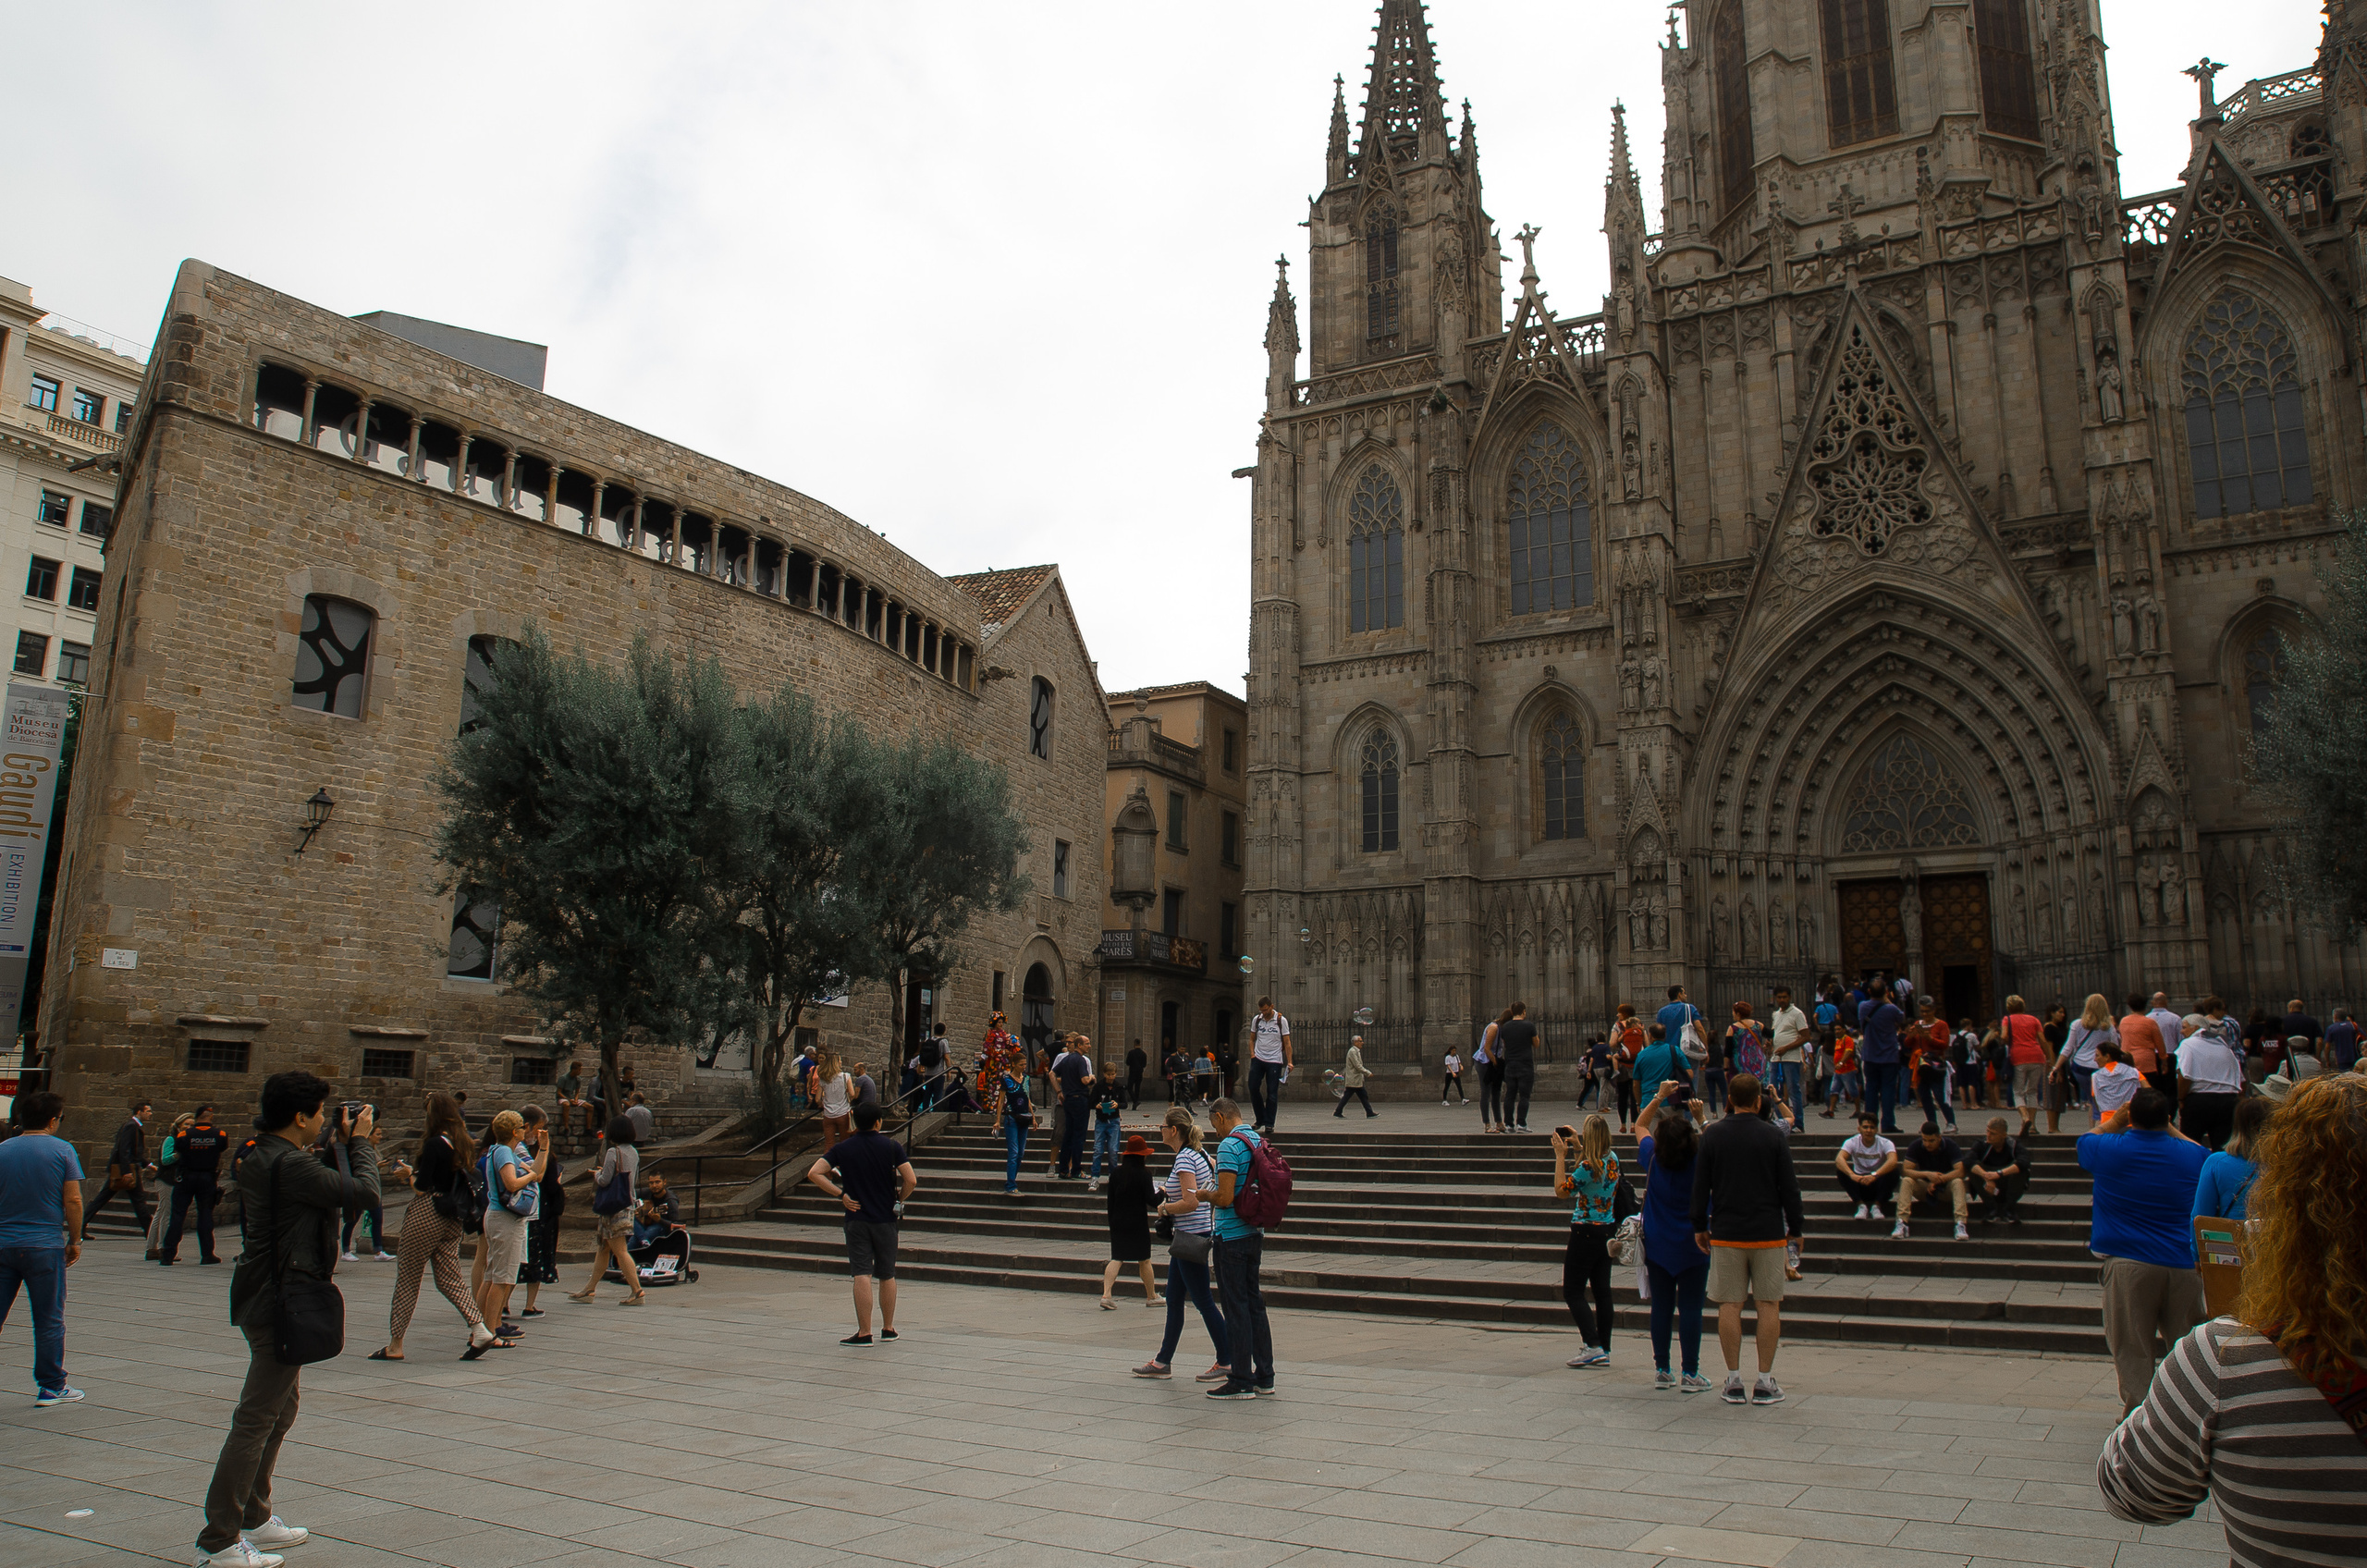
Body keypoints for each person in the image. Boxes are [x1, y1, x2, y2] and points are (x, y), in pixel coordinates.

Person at [2097, 1074, 2367, 1554]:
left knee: (2135, 1346)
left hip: (2138, 1267)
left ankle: (2142, 1405)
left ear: (2282, 1204)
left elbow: (2133, 1496)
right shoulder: (2194, 1155)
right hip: (2176, 1269)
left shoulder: (2223, 1360)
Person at [197, 1073, 379, 1568]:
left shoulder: (258, 1152)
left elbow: (325, 1186)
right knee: (255, 1420)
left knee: (280, 1410)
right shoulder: (289, 1164)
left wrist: (338, 1144)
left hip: (264, 1292)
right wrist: (358, 1142)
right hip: (281, 1300)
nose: (326, 1119)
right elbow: (363, 1194)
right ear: (300, 1117)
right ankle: (219, 1541)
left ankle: (254, 1515)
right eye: (320, 1112)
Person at [2079, 1086, 2209, 1413]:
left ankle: (2138, 1416)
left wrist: (2118, 1119)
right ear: (2167, 1119)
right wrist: (2170, 1126)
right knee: (2186, 1347)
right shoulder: (2193, 1156)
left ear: (2131, 1117)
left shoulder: (2108, 1148)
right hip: (2182, 1264)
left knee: (2133, 1348)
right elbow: (2204, 1154)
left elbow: (2085, 1141)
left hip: (2127, 1264)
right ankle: (2185, 1415)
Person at [1691, 1074, 1803, 1405]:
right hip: (1768, 1233)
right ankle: (1766, 1380)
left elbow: (1701, 1186)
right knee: (1768, 1304)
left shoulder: (1713, 1136)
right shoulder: (1773, 1136)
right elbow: (1790, 1187)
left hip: (1726, 1232)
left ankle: (1734, 1379)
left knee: (1729, 1305)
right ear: (1758, 1101)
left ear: (1729, 1099)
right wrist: (1795, 1229)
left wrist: (1699, 1224)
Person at [374, 1092, 493, 1361]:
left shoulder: (433, 1144)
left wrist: (408, 1174)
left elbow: (422, 1187)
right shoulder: (461, 1142)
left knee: (408, 1278)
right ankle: (480, 1329)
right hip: (452, 1216)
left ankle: (396, 1344)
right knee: (450, 1278)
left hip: (428, 1212)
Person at [805, 1100, 917, 1345]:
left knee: (862, 1274)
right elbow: (911, 1179)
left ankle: (864, 1331)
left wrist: (841, 1195)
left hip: (857, 1218)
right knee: (887, 1274)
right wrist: (899, 1198)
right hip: (886, 1218)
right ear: (879, 1122)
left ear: (854, 1121)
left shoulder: (843, 1148)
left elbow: (814, 1172)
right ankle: (888, 1328)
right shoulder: (891, 1147)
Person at [0, 1091, 84, 1406]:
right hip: (44, 1246)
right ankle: (51, 1385)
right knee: (48, 1318)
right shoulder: (63, 1151)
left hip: (3, 1243)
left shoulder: (2, 1150)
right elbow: (73, 1200)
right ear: (53, 1120)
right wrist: (74, 1241)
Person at [1134, 1106, 1229, 1381]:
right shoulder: (1198, 1154)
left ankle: (1227, 1359)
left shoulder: (1185, 1159)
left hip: (1190, 1237)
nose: (1160, 1129)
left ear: (1174, 1130)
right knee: (1174, 1299)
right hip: (1190, 1236)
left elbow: (1191, 1201)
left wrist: (1165, 1208)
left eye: (1163, 1125)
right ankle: (1163, 1362)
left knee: (1203, 1301)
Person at [1634, 1081, 1710, 1390]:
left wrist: (1660, 1096)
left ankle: (1662, 1368)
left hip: (1658, 1243)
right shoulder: (1701, 1159)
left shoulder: (1652, 1155)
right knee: (1691, 1308)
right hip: (1695, 1242)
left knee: (1661, 1306)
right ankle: (1691, 1372)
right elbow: (1716, 1139)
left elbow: (1640, 1124)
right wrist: (1702, 1118)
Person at [1205, 1097, 1273, 1398]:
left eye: (1214, 1125)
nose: (1215, 1132)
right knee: (1254, 1303)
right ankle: (1265, 1375)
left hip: (1231, 1235)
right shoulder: (1257, 1139)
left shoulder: (1229, 1146)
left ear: (1221, 1117)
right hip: (1254, 1232)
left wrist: (1202, 1194)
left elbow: (1225, 1197)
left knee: (1236, 1308)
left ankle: (1241, 1379)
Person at [1552, 1114, 1621, 1369]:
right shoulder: (1611, 1159)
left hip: (1584, 1232)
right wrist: (1579, 1147)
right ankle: (1603, 1345)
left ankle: (1591, 1344)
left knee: (1572, 1290)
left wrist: (1561, 1155)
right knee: (1602, 1291)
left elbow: (1562, 1190)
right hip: (1606, 1230)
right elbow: (1592, 1170)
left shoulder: (1588, 1166)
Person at [476, 1110, 548, 1336]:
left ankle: (484, 1327)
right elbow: (511, 1182)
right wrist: (530, 1179)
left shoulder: (499, 1150)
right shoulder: (505, 1152)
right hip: (505, 1219)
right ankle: (489, 1329)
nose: (525, 1130)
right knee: (502, 1278)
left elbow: (537, 1171)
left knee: (492, 1276)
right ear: (515, 1131)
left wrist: (544, 1149)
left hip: (499, 1217)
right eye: (521, 1127)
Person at [570, 1117, 644, 1305]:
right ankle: (589, 1289)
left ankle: (637, 1291)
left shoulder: (613, 1152)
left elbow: (604, 1180)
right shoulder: (634, 1152)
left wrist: (596, 1174)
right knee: (603, 1248)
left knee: (620, 1250)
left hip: (613, 1208)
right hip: (626, 1204)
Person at [162, 1104, 229, 1267]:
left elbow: (179, 1149)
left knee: (177, 1215)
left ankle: (168, 1254)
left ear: (197, 1116)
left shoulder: (185, 1134)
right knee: (205, 1215)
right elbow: (222, 1148)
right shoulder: (220, 1134)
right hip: (207, 1178)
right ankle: (207, 1254)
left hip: (186, 1177)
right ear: (210, 1117)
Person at [2174, 997, 2246, 1150]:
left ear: (2195, 1028)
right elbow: (2241, 1080)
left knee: (2191, 1145)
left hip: (2200, 1101)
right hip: (2227, 1101)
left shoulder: (2188, 1044)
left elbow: (2185, 1075)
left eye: (2185, 1027)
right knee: (2223, 1147)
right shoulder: (2224, 1046)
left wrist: (2181, 1099)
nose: (2181, 1031)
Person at [1098, 1133, 1159, 1310]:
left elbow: (1110, 1201)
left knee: (1117, 1258)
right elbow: (1152, 1200)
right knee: (1144, 1260)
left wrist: (1112, 1222)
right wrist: (1162, 1192)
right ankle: (1151, 1295)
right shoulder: (1144, 1174)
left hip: (1118, 1221)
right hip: (1138, 1223)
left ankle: (1106, 1294)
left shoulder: (1117, 1173)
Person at [2190, 1095, 2272, 1222]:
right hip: (2272, 1239)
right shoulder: (2283, 1164)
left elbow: (2200, 1218)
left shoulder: (2216, 1163)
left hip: (2231, 1239)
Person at [83, 1098, 154, 1240]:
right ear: (139, 1112)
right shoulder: (131, 1126)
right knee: (139, 1201)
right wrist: (126, 1170)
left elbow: (135, 1152)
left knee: (102, 1199)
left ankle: (80, 1226)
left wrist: (149, 1165)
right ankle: (151, 1234)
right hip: (127, 1170)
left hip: (126, 1169)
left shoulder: (134, 1126)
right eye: (148, 1111)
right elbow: (124, 1149)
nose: (150, 1114)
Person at [520, 1107, 565, 1316]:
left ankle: (505, 1304)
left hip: (525, 1211)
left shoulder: (514, 1150)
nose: (541, 1133)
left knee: (518, 1260)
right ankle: (529, 1304)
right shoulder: (535, 1153)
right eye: (540, 1128)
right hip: (538, 1212)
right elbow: (543, 1180)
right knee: (533, 1258)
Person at [1893, 1121, 1969, 1243]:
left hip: (1946, 1188)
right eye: (1924, 1140)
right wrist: (1926, 1174)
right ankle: (1902, 1222)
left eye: (1931, 1141)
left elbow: (1960, 1171)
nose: (1927, 1144)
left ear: (1939, 1137)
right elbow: (1906, 1170)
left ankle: (1960, 1224)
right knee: (1907, 1181)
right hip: (1925, 1188)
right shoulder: (1916, 1145)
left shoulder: (1950, 1145)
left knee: (1958, 1182)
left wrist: (1940, 1180)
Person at [2056, 994, 2117, 1119]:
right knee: (2101, 1102)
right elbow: (2115, 1047)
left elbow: (2068, 1047)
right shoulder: (2108, 1027)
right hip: (2100, 1067)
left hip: (2080, 1068)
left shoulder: (2077, 1024)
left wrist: (2056, 1067)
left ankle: (2093, 1131)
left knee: (2092, 1099)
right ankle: (2100, 1130)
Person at [1996, 997, 2048, 1137]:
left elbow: (2004, 1036)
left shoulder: (2008, 1019)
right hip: (2037, 1056)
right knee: (2032, 1091)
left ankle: (2025, 1117)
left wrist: (2006, 1040)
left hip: (2018, 1057)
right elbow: (2042, 1039)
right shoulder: (2033, 1019)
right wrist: (2049, 1056)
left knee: (2018, 1091)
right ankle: (2033, 1125)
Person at [1858, 987, 1907, 1133]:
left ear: (1870, 992)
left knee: (1871, 1090)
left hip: (1870, 1055)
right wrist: (1887, 1001)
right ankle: (1888, 1123)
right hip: (1888, 1056)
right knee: (1888, 1091)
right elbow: (1902, 1019)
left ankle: (1869, 1124)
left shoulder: (1863, 1006)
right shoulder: (1891, 1009)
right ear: (1885, 993)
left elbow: (1861, 1025)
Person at [1834, 1114, 1899, 1221]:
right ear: (1859, 1128)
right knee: (1841, 1171)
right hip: (1859, 1181)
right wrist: (1852, 1175)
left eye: (1872, 1127)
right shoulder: (1852, 1142)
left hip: (1877, 1181)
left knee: (1894, 1171)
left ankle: (1877, 1206)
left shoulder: (1885, 1143)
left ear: (1877, 1129)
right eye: (1865, 1127)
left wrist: (1875, 1175)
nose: (1868, 1130)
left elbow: (1893, 1161)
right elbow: (1839, 1159)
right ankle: (1861, 1206)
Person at [1906, 1000, 1956, 1132]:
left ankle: (1951, 1122)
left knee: (1940, 1095)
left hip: (1935, 1064)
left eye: (1927, 1011)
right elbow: (1908, 1043)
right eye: (1922, 1011)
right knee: (1924, 1095)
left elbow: (1944, 1044)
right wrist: (1910, 1035)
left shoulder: (1941, 1025)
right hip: (1921, 1065)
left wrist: (1929, 1038)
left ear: (1933, 1010)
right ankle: (1931, 1124)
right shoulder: (1918, 1024)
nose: (1925, 1014)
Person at [1967, 1118, 2029, 1223]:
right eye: (1988, 1131)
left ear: (2004, 1135)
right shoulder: (1982, 1144)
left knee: (2019, 1169)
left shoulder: (2013, 1145)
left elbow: (2024, 1162)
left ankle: (2009, 1210)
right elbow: (1968, 1160)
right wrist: (1986, 1177)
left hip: (2007, 1183)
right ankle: (1991, 1210)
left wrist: (1999, 1174)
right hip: (1988, 1185)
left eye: (1993, 1133)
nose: (1988, 1135)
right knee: (1974, 1168)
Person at [1245, 998, 1293, 1134]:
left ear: (1271, 1006)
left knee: (1272, 1093)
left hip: (1274, 1060)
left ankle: (1269, 1123)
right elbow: (1252, 1038)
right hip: (1258, 1058)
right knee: (1253, 1087)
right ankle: (1260, 1119)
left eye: (1265, 1010)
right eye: (1261, 1010)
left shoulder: (1280, 1020)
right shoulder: (1257, 1019)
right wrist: (1252, 1054)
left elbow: (1287, 1042)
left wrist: (1289, 1061)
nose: (1263, 1012)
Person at [1052, 1034, 1096, 1179]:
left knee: (1068, 1135)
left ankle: (1063, 1169)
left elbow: (1052, 1073)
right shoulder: (1081, 1060)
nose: (1089, 1046)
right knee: (1079, 1136)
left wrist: (1059, 1091)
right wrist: (1092, 1078)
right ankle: (1076, 1169)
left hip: (1068, 1100)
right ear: (1079, 1045)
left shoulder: (1066, 1059)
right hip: (1080, 1100)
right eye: (1087, 1043)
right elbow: (1084, 1080)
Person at [1767, 988, 1809, 1131]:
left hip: (1791, 1057)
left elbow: (1805, 1036)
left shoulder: (1797, 1014)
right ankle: (1783, 1121)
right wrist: (1770, 1043)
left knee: (1793, 1090)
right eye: (1779, 997)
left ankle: (1797, 1123)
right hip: (1776, 1057)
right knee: (1773, 1090)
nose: (1782, 1000)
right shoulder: (1776, 1014)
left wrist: (1787, 1047)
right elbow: (1776, 1033)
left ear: (1790, 997)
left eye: (1784, 997)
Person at [1496, 1002, 1540, 1133]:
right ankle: (1521, 1123)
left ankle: (1509, 1124)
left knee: (1510, 1095)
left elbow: (1504, 1044)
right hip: (1525, 1064)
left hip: (1510, 1064)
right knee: (1524, 1095)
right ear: (1523, 1011)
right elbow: (1536, 1043)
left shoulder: (1506, 1027)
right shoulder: (1529, 1026)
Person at [2117, 995, 2170, 1098]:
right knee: (2148, 1091)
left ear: (2130, 1006)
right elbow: (2160, 1044)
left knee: (2131, 1091)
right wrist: (2164, 1061)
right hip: (2146, 1061)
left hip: (2128, 1060)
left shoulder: (2123, 1021)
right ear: (2145, 1006)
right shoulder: (2150, 1022)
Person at [2088, 1039, 2144, 1123]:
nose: (2095, 1059)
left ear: (2107, 1057)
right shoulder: (2134, 1072)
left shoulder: (2096, 1077)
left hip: (2108, 1122)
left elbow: (2096, 1099)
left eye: (2097, 1055)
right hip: (2131, 1120)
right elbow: (2148, 1091)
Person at [1088, 1070, 1124, 1188]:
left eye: (1112, 1074)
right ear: (1104, 1074)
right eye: (1108, 1074)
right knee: (1098, 1149)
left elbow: (1125, 1103)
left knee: (1113, 1150)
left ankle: (1112, 1176)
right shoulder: (1099, 1086)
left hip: (1114, 1121)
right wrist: (1097, 1105)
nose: (1110, 1077)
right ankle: (1095, 1177)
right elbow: (1091, 1102)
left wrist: (1117, 1104)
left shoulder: (1118, 1086)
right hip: (1101, 1121)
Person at [1477, 1008, 1510, 1134]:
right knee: (1486, 1092)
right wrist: (1496, 1063)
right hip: (1484, 1062)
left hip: (1494, 1061)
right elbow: (1487, 1048)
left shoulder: (1503, 1030)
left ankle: (1499, 1122)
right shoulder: (1494, 1028)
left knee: (1496, 1091)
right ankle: (1487, 1124)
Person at [629, 1170, 680, 1253]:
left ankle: (643, 1241)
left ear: (664, 1182)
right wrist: (634, 1208)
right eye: (651, 1183)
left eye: (657, 1182)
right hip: (644, 1224)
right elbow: (630, 1193)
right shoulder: (648, 1192)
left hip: (661, 1226)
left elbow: (677, 1225)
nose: (654, 1186)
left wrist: (660, 1220)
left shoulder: (670, 1201)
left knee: (636, 1239)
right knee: (630, 1215)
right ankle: (643, 1240)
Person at [816, 1049, 853, 1145]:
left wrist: (823, 1104)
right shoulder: (846, 1076)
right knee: (844, 1142)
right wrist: (847, 1101)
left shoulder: (823, 1078)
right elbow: (852, 1094)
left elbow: (817, 1099)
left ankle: (829, 1159)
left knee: (829, 1143)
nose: (841, 1062)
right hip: (843, 1112)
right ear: (836, 1062)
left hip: (828, 1114)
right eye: (839, 1060)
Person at [1335, 1035, 1377, 1118]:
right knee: (1358, 1096)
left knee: (1360, 1096)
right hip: (1354, 1079)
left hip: (1355, 1080)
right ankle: (1369, 1112)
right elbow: (1357, 1065)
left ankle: (1338, 1112)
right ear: (1355, 1042)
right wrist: (1367, 1073)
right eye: (1360, 1041)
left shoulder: (1355, 1051)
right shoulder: (1352, 1052)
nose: (1362, 1043)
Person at [1823, 1029, 1860, 1120]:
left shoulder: (1847, 1039)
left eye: (1839, 1029)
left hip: (1847, 1070)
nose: (1837, 1031)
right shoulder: (1838, 1041)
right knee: (1834, 1090)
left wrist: (1841, 1063)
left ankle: (1858, 1111)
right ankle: (1831, 1111)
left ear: (1843, 1030)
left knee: (1853, 1091)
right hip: (1838, 1071)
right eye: (1835, 1029)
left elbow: (1848, 1052)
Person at [556, 1062, 594, 1135]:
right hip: (563, 1098)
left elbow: (577, 1092)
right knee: (566, 1105)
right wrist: (569, 1100)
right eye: (579, 1070)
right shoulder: (563, 1078)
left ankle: (588, 1128)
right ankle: (566, 1127)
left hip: (572, 1098)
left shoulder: (578, 1080)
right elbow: (559, 1092)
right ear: (574, 1070)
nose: (580, 1072)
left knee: (590, 1107)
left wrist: (576, 1100)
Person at [2323, 1006, 2360, 1072]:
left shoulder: (2331, 1028)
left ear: (2335, 1017)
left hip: (2341, 1059)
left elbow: (2327, 1046)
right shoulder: (2353, 1025)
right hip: (2355, 1056)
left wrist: (2327, 1060)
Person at [1123, 1041, 1147, 1110]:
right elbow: (1144, 1064)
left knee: (1129, 1087)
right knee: (1137, 1087)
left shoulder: (1131, 1053)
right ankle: (1135, 1103)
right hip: (1140, 1072)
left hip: (1132, 1072)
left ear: (1134, 1044)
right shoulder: (1143, 1054)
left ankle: (1135, 1101)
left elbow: (1128, 1062)